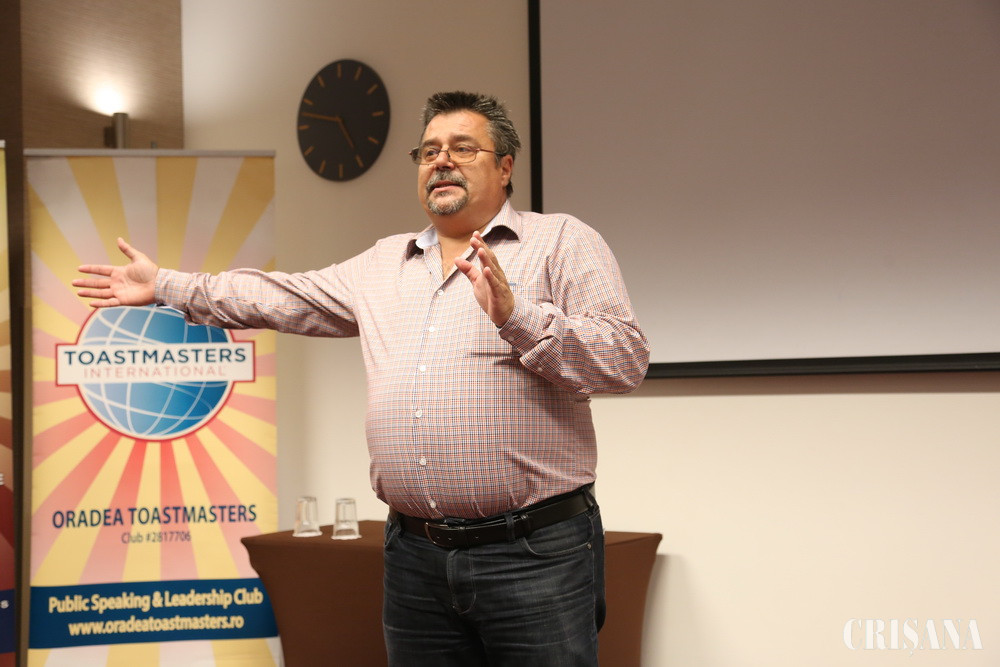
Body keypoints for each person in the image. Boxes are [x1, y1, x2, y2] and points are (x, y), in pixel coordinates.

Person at [74, 91, 649, 666]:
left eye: (462, 148)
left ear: (504, 167)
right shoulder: (382, 263)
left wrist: (516, 317)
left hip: (534, 554)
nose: (441, 161)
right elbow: (280, 295)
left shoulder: (561, 241)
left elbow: (625, 359)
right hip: (415, 558)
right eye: (428, 151)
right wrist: (166, 285)